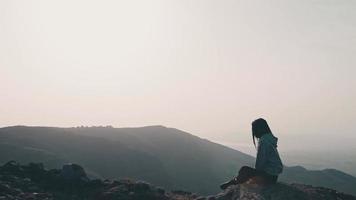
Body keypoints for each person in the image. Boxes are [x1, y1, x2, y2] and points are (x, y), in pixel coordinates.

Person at [220, 118, 283, 190]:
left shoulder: (264, 142)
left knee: (244, 169)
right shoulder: (269, 139)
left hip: (268, 177)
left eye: (254, 129)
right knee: (246, 170)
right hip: (273, 176)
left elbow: (260, 164)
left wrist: (253, 173)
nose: (254, 132)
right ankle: (234, 182)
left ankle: (233, 183)